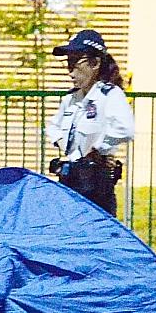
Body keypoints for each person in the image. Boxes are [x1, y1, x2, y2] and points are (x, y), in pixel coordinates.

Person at [45, 29, 134, 214]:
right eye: (67, 64)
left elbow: (124, 128)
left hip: (96, 184)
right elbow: (53, 127)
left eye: (75, 64)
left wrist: (98, 150)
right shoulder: (71, 99)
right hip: (70, 181)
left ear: (95, 63)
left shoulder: (109, 95)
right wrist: (66, 148)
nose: (70, 72)